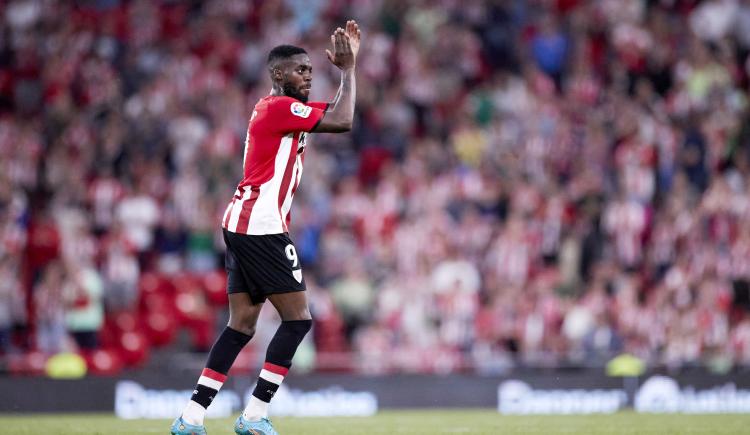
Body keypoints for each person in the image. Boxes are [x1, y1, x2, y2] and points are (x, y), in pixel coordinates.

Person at [171, 20, 360, 435]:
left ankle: (191, 416)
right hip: (261, 226)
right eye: (300, 70)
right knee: (298, 320)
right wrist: (347, 70)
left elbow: (332, 114)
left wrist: (343, 75)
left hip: (243, 222)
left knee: (241, 325)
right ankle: (255, 415)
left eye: (311, 70)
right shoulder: (278, 107)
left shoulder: (275, 109)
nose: (308, 76)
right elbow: (343, 121)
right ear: (278, 75)